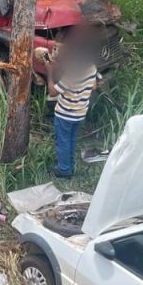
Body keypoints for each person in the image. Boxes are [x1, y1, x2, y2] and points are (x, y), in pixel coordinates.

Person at [46, 34, 100, 179]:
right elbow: (94, 86)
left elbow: (52, 92)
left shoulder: (72, 74)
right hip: (80, 112)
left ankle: (64, 171)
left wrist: (50, 72)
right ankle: (68, 166)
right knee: (71, 140)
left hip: (65, 113)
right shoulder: (91, 68)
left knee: (62, 142)